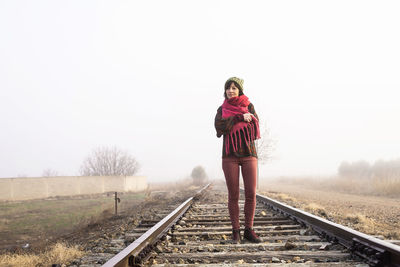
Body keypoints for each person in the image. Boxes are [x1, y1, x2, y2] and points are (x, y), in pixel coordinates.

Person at [214, 77, 262, 244]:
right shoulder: (222, 109)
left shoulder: (249, 106)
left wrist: (245, 117)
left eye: (234, 88)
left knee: (250, 193)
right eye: (228, 88)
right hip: (230, 156)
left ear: (240, 90)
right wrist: (239, 118)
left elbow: (255, 124)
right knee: (233, 195)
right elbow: (219, 127)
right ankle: (236, 232)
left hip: (249, 154)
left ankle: (248, 230)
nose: (231, 90)